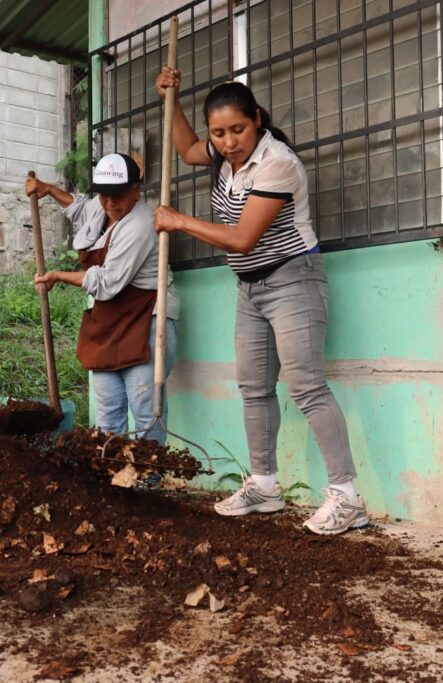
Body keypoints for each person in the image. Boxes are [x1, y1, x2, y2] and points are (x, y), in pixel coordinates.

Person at [153, 68, 369, 534]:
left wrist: (179, 221)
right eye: (219, 133)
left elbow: (244, 238)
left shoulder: (277, 163)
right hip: (250, 288)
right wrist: (172, 99)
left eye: (238, 130)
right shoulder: (222, 154)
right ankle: (264, 485)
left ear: (257, 120)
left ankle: (347, 496)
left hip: (293, 280)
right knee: (253, 388)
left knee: (308, 387)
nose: (228, 142)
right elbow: (189, 149)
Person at [27, 154, 180, 444]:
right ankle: (112, 475)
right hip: (110, 321)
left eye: (118, 195)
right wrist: (48, 189)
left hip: (147, 319)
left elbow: (108, 282)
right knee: (108, 412)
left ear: (137, 189)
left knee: (146, 409)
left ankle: (151, 478)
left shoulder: (141, 223)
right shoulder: (103, 211)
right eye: (104, 195)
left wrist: (58, 276)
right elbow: (80, 208)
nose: (110, 202)